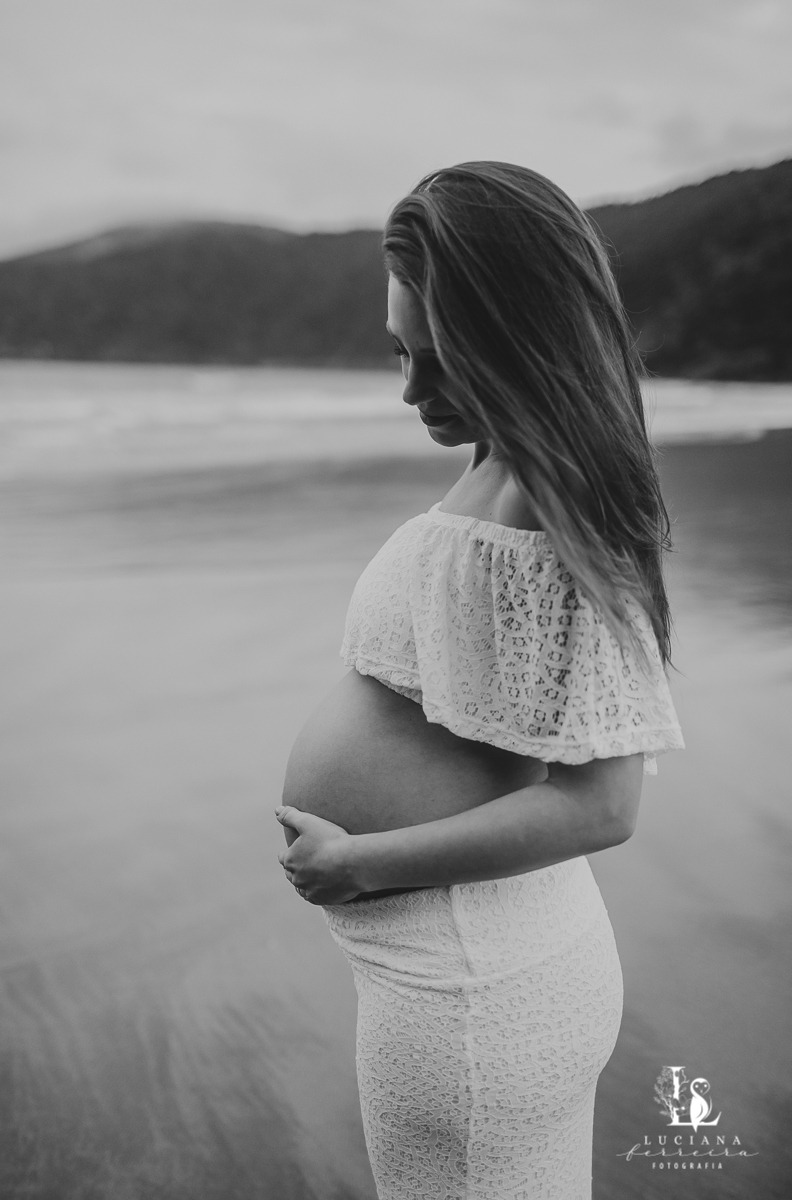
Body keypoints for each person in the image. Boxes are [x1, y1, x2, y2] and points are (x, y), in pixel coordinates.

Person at [275, 161, 684, 1200]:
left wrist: (363, 861)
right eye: (399, 353)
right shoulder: (506, 464)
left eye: (438, 357)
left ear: (519, 335)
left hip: (471, 993)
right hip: (471, 972)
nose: (409, 390)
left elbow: (600, 804)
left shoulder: (552, 495)